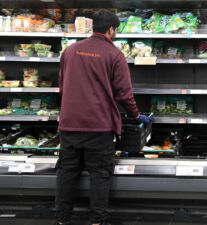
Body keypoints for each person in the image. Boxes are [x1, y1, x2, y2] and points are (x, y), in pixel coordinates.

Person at [55, 9, 153, 225]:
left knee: (67, 172)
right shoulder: (114, 55)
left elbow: (62, 90)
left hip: (69, 125)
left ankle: (62, 220)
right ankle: (97, 221)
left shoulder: (70, 51)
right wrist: (137, 116)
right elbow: (124, 95)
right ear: (111, 30)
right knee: (100, 174)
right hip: (99, 127)